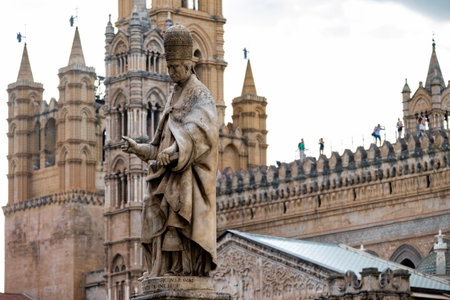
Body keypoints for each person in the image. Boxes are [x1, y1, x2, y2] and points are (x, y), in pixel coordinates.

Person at [121, 24, 218, 277]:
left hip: (187, 175)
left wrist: (176, 149)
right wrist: (137, 149)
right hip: (166, 173)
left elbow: (201, 131)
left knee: (177, 206)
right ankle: (160, 268)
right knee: (151, 208)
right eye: (169, 67)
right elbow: (158, 147)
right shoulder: (173, 95)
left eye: (176, 67)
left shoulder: (201, 94)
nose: (172, 72)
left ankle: (182, 268)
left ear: (188, 65)